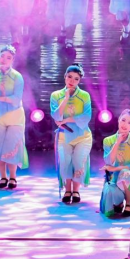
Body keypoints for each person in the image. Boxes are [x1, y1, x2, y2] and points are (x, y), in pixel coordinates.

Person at [0, 45, 28, 189]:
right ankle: (3, 177)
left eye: (8, 58)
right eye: (2, 56)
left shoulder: (17, 76)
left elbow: (16, 99)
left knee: (12, 146)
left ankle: (13, 177)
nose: (4, 60)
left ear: (12, 60)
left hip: (15, 115)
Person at [50, 63, 92, 203]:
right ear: (65, 77)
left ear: (79, 81)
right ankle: (67, 190)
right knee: (65, 162)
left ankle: (76, 190)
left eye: (76, 79)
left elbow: (86, 117)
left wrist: (67, 119)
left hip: (82, 136)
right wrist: (66, 98)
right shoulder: (56, 95)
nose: (72, 81)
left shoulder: (84, 96)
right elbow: (56, 116)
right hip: (64, 136)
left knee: (78, 162)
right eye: (69, 77)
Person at [99, 108, 130, 217]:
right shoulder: (108, 140)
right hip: (113, 181)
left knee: (125, 174)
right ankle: (118, 203)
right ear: (118, 120)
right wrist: (117, 142)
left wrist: (116, 169)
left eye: (129, 123)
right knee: (109, 203)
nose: (125, 124)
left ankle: (128, 204)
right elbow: (109, 161)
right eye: (123, 120)